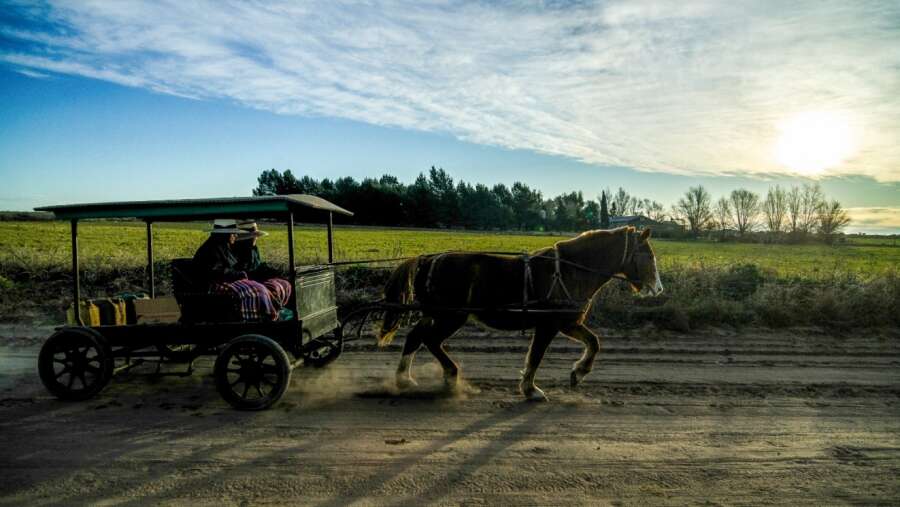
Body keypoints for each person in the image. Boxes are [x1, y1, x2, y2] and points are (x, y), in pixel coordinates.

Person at [192, 219, 281, 321]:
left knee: (258, 286)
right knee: (257, 290)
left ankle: (265, 314)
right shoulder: (211, 249)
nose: (236, 235)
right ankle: (260, 317)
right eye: (233, 233)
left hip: (222, 281)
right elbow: (215, 272)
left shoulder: (222, 246)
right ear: (224, 235)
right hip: (211, 286)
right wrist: (239, 274)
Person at [233, 221, 292, 310]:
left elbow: (258, 265)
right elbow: (249, 270)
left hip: (257, 277)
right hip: (251, 280)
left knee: (286, 282)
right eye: (254, 236)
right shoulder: (240, 250)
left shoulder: (253, 248)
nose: (256, 238)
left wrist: (276, 272)